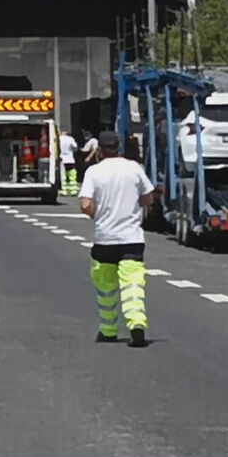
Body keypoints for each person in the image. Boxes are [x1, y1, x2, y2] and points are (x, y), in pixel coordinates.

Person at [78, 131, 155, 348]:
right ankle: (137, 325)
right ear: (118, 147)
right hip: (132, 238)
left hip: (105, 239)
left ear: (99, 151)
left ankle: (109, 330)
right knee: (133, 284)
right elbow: (148, 198)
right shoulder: (134, 168)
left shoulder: (94, 171)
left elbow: (85, 205)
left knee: (106, 289)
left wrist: (98, 214)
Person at [59, 129, 80, 196]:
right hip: (70, 159)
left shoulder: (59, 139)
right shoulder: (70, 139)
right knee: (72, 176)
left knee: (63, 176)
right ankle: (73, 191)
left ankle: (64, 191)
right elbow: (75, 148)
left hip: (62, 159)